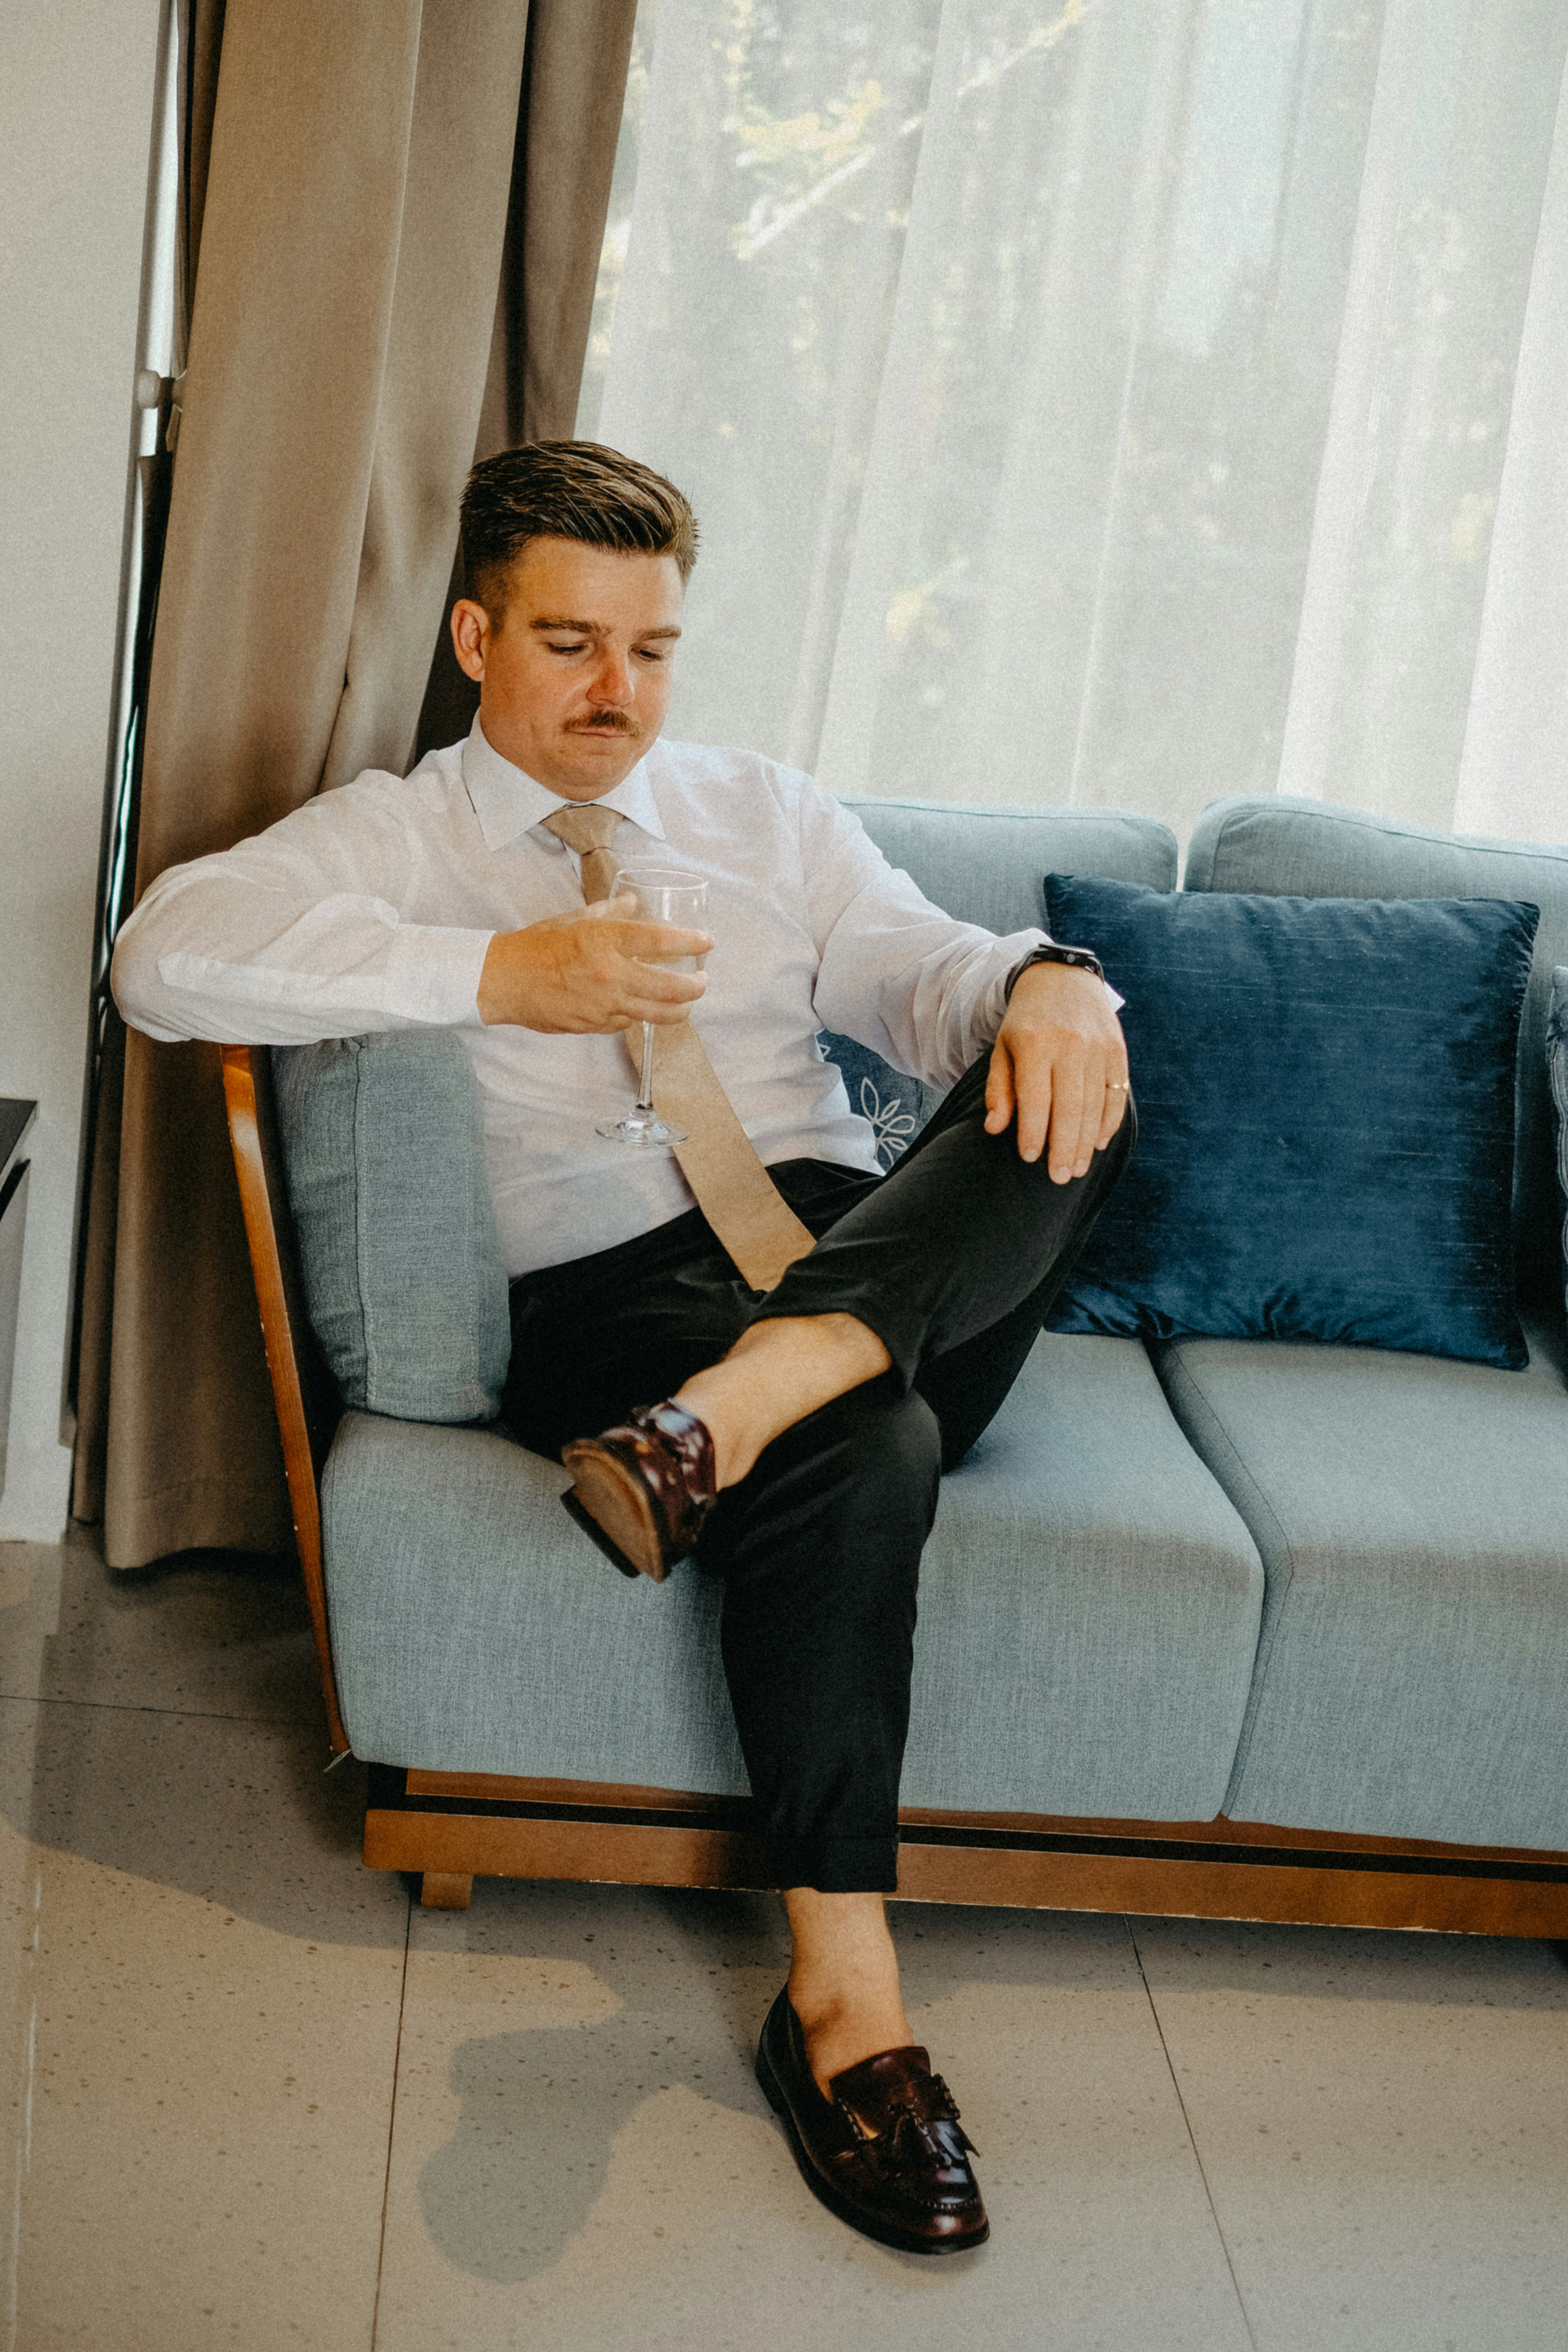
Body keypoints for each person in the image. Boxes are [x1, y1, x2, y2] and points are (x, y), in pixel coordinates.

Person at [113, 440, 1132, 2258]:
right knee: (870, 1439)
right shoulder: (402, 836)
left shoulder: (766, 815)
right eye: (571, 644)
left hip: (853, 1246)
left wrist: (1039, 980)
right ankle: (847, 2009)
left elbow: (921, 975)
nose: (619, 695)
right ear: (474, 639)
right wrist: (497, 977)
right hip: (614, 1287)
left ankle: (737, 1411)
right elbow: (158, 958)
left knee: (1081, 1074)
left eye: (651, 649)